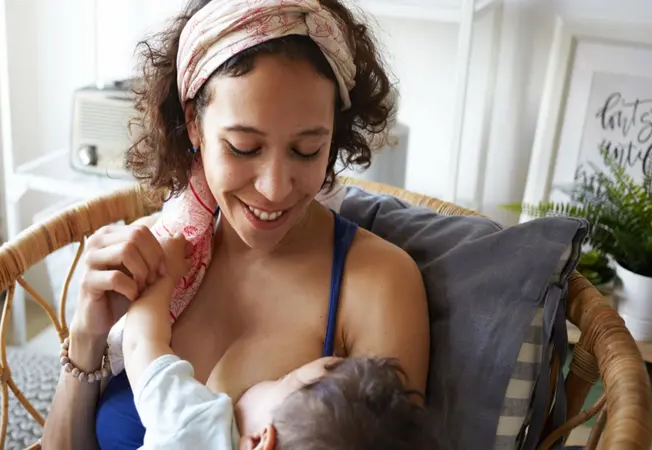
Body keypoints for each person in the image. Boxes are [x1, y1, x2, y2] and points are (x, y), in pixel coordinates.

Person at [42, 0, 430, 448]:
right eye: (244, 147)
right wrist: (87, 335)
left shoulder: (377, 284)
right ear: (194, 125)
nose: (274, 188)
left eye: (306, 150)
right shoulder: (163, 251)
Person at [121, 233, 436, 449]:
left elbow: (140, 343)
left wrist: (165, 277)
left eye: (284, 379)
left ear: (262, 441)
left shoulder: (200, 426)